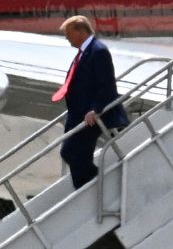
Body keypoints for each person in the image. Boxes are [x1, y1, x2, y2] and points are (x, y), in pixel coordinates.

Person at [52, 15, 129, 189]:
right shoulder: (84, 53)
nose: (66, 38)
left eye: (68, 33)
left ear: (80, 31)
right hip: (78, 113)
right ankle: (88, 188)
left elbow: (106, 83)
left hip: (90, 115)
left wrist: (96, 108)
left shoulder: (98, 51)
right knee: (72, 153)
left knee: (71, 151)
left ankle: (95, 185)